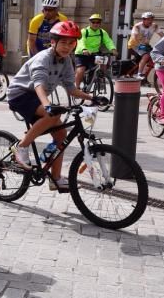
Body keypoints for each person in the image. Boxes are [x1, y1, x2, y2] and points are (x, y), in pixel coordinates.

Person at [7, 20, 103, 191]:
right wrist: (48, 105)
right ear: (53, 42)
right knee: (52, 113)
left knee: (61, 135)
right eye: (63, 42)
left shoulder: (66, 61)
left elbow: (71, 88)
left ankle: (56, 178)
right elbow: (38, 84)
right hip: (20, 94)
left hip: (38, 97)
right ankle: (20, 146)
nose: (67, 47)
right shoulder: (43, 58)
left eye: (71, 43)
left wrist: (93, 97)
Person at [74, 13, 116, 87]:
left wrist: (113, 49)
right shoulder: (84, 31)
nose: (95, 24)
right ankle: (76, 88)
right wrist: (84, 49)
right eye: (93, 22)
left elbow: (108, 41)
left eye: (98, 22)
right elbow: (81, 41)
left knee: (102, 63)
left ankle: (100, 81)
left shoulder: (102, 32)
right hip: (82, 53)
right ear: (90, 22)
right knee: (81, 70)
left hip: (95, 53)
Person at [128, 12, 163, 78]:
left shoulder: (154, 26)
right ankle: (139, 74)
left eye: (151, 19)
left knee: (156, 55)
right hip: (134, 45)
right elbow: (134, 37)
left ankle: (145, 77)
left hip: (145, 45)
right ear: (143, 20)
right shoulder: (137, 26)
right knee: (146, 56)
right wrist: (141, 44)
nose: (150, 21)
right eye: (148, 19)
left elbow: (163, 35)